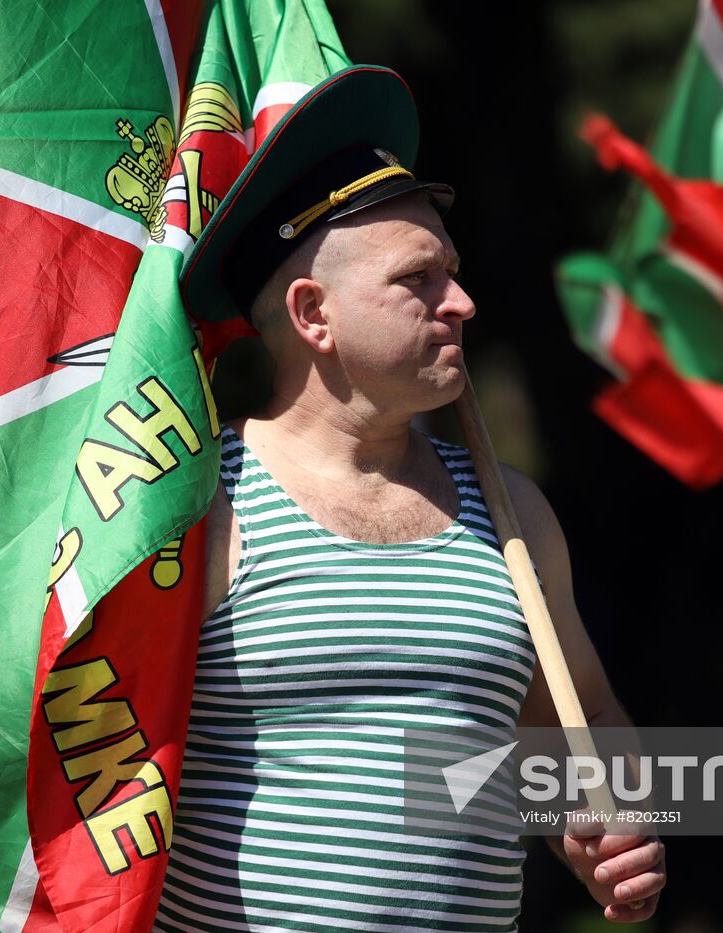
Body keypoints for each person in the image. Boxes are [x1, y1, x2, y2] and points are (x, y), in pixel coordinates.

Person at [156, 65, 665, 929]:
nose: (461, 302)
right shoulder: (201, 503)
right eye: (418, 279)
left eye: (455, 273)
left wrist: (603, 817)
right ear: (314, 314)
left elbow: (582, 719)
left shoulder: (512, 514)